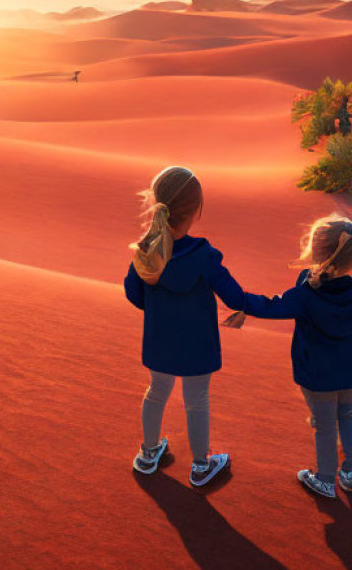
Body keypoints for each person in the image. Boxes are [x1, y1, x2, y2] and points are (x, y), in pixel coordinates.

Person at [227, 214, 352, 499]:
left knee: (324, 425)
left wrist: (239, 300)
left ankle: (325, 479)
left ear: (315, 251)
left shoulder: (306, 294)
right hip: (351, 370)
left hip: (317, 374)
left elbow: (272, 307)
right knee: (346, 415)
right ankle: (351, 474)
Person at [124, 165, 245, 487]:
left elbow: (133, 293)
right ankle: (202, 466)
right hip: (198, 345)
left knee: (156, 392)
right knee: (197, 400)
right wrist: (255, 307)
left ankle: (149, 453)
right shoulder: (205, 256)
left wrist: (160, 312)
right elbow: (233, 295)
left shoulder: (146, 252)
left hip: (159, 340)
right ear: (195, 211)